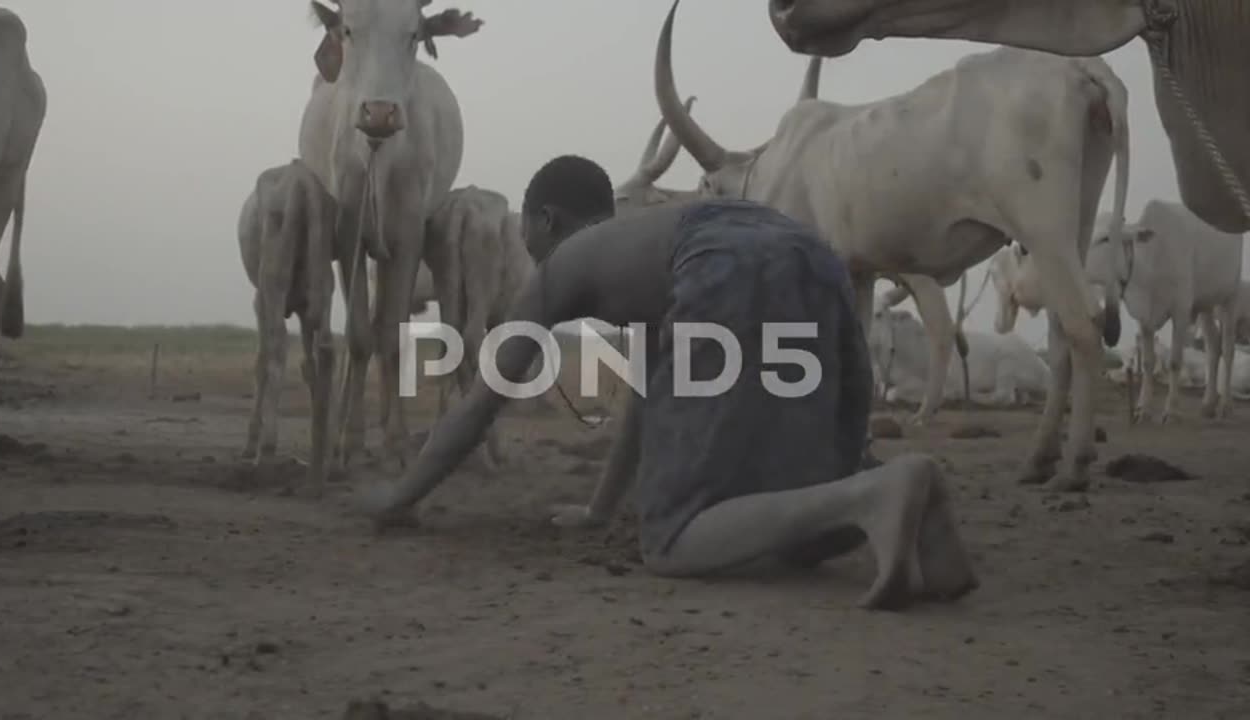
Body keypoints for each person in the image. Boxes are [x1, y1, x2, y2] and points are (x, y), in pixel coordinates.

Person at [363, 155, 977, 610]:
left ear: (546, 220)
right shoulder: (647, 237)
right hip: (812, 255)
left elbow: (480, 404)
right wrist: (599, 510)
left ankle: (874, 493)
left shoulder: (562, 268)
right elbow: (650, 392)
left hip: (726, 266)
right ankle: (907, 505)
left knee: (672, 539)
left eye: (529, 236)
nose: (528, 253)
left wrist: (400, 498)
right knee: (795, 525)